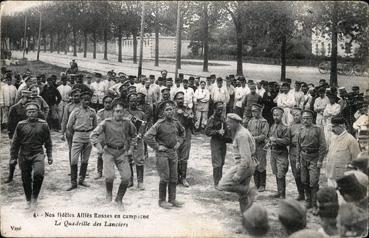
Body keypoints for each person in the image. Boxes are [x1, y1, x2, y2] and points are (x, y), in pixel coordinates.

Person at [90, 102, 137, 206]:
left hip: (121, 152)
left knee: (126, 177)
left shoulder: (127, 122)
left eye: (121, 111)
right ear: (113, 112)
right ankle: (109, 194)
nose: (119, 114)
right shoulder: (106, 122)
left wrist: (131, 149)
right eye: (117, 111)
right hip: (108, 152)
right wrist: (99, 147)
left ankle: (119, 199)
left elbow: (134, 135)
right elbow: (93, 135)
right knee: (109, 176)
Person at [10, 103, 53, 208]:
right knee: (25, 178)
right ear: (26, 113)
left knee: (39, 174)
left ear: (38, 112)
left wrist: (50, 155)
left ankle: (35, 198)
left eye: (34, 111)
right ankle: (28, 199)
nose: (31, 113)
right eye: (29, 111)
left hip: (38, 153)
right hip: (24, 154)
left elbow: (48, 142)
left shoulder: (43, 124)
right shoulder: (21, 125)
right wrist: (13, 157)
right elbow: (15, 143)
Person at [144, 101, 185, 209]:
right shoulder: (159, 124)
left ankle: (172, 199)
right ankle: (162, 201)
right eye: (167, 110)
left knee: (174, 177)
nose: (170, 111)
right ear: (163, 112)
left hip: (173, 153)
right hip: (162, 154)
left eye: (171, 109)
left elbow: (182, 132)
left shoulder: (176, 123)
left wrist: (179, 143)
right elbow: (147, 136)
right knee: (165, 177)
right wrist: (157, 147)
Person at [218, 113, 257, 214]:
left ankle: (248, 190)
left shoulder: (241, 135)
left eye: (229, 124)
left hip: (244, 166)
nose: (227, 126)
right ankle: (247, 221)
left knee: (222, 184)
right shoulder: (241, 131)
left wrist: (238, 174)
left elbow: (245, 158)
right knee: (243, 198)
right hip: (249, 165)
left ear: (235, 122)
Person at [296, 109, 327, 214]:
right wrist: (297, 161)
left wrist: (320, 160)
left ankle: (315, 204)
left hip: (314, 157)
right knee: (304, 180)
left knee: (313, 181)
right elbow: (298, 147)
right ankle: (308, 201)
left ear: (312, 119)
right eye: (303, 118)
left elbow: (323, 146)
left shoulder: (318, 130)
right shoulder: (300, 130)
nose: (305, 120)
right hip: (303, 157)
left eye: (308, 118)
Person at [66, 91, 97, 191]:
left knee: (85, 160)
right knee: (74, 159)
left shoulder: (92, 112)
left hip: (88, 136)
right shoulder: (75, 111)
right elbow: (69, 126)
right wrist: (73, 137)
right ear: (81, 100)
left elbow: (96, 126)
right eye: (84, 99)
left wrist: (92, 136)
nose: (86, 101)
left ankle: (82, 179)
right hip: (77, 136)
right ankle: (73, 182)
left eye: (88, 100)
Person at [325, 116, 360, 186]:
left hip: (343, 176)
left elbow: (356, 160)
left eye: (334, 127)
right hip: (331, 174)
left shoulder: (351, 140)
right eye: (331, 127)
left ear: (342, 126)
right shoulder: (333, 137)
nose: (332, 129)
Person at [205, 102, 231, 188]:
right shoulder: (211, 119)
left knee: (222, 162)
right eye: (219, 109)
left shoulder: (223, 118)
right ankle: (216, 182)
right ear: (214, 109)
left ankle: (220, 180)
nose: (220, 111)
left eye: (222, 109)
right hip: (215, 142)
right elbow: (207, 132)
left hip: (223, 142)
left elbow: (226, 130)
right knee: (217, 163)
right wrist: (217, 132)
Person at [267, 107, 289, 199]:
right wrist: (269, 142)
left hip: (281, 153)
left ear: (281, 116)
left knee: (281, 173)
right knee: (276, 172)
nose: (275, 117)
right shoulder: (272, 126)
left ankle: (282, 194)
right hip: (273, 153)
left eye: (277, 115)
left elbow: (287, 141)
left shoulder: (285, 128)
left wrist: (276, 140)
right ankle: (279, 191)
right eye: (274, 115)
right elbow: (269, 137)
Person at [126, 93, 147, 190]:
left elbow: (143, 126)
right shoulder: (124, 112)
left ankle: (140, 181)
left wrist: (139, 136)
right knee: (127, 159)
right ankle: (130, 180)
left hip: (138, 139)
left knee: (139, 160)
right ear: (128, 102)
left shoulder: (142, 114)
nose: (133, 103)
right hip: (127, 139)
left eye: (135, 101)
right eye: (131, 101)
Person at [174, 91, 195, 187]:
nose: (180, 100)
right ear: (175, 100)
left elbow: (192, 125)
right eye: (178, 98)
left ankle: (183, 177)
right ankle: (176, 176)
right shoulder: (172, 110)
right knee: (175, 156)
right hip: (176, 136)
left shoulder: (188, 109)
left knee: (184, 157)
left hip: (186, 135)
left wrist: (190, 119)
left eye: (182, 98)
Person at [248, 104, 269, 192]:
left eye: (255, 111)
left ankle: (262, 185)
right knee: (254, 164)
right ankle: (256, 184)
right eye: (252, 111)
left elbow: (264, 135)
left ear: (260, 111)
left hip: (260, 146)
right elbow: (248, 132)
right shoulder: (251, 121)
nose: (253, 113)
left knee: (261, 165)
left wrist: (254, 138)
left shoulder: (264, 122)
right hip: (253, 147)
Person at [93, 95, 113, 180]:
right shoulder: (100, 112)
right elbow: (100, 124)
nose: (108, 104)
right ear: (103, 103)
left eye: (109, 102)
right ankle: (99, 172)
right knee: (100, 154)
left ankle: (110, 172)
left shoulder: (115, 112)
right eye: (106, 102)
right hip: (102, 136)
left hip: (112, 136)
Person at [60, 89, 81, 168]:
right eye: (75, 96)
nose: (77, 97)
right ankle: (72, 167)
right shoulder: (68, 106)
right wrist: (62, 133)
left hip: (81, 131)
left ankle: (82, 168)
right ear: (71, 97)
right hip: (70, 131)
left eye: (78, 96)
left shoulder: (83, 105)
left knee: (82, 150)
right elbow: (64, 120)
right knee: (72, 149)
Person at [288, 107, 305, 200]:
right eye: (294, 115)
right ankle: (300, 193)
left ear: (301, 115)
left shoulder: (305, 125)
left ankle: (308, 194)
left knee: (305, 174)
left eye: (297, 115)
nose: (295, 117)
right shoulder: (291, 126)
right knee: (296, 173)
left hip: (304, 151)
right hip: (293, 151)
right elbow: (287, 139)